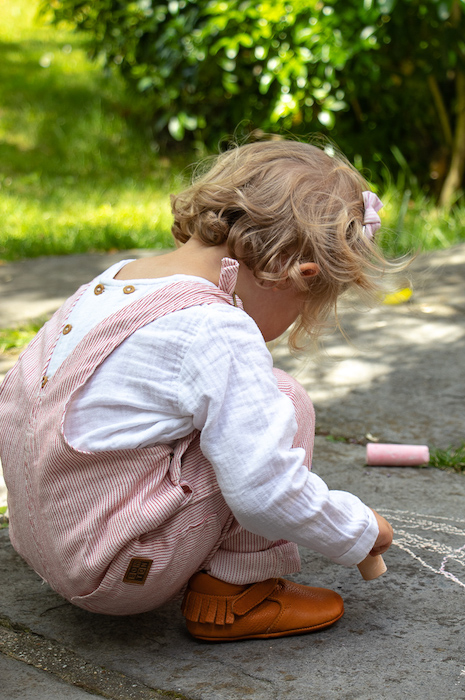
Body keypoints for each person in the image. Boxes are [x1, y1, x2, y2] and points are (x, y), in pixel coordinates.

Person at [0, 138, 393, 643]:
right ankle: (234, 594)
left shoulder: (118, 282)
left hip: (46, 539)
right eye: (304, 308)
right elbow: (264, 490)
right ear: (297, 275)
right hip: (120, 572)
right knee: (283, 402)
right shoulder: (215, 327)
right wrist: (358, 532)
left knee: (237, 414)